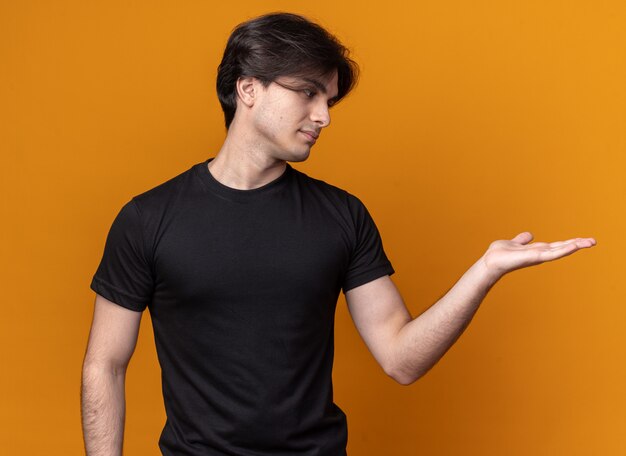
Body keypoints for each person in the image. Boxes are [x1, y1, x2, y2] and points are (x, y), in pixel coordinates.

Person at [80, 12, 596, 456]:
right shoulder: (148, 218)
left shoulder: (341, 216)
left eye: (328, 99)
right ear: (248, 88)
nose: (323, 116)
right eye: (308, 92)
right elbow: (105, 364)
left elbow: (402, 359)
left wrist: (483, 272)